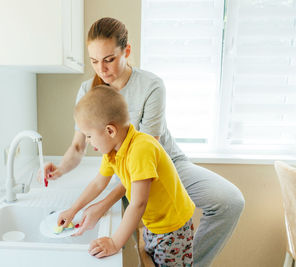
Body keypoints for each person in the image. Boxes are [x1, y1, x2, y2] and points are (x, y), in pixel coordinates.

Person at [42, 17, 245, 267]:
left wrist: (102, 206)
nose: (101, 70)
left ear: (126, 51)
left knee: (230, 202)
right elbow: (80, 149)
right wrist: (61, 171)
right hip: (127, 170)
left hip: (163, 162)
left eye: (109, 60)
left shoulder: (151, 86)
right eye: (94, 61)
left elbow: (143, 166)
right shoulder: (89, 93)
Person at [58, 85, 195, 265]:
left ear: (110, 131)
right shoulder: (112, 151)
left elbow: (138, 203)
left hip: (173, 229)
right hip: (153, 223)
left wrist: (114, 242)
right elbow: (98, 183)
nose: (89, 142)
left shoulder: (141, 148)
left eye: (89, 136)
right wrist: (73, 210)